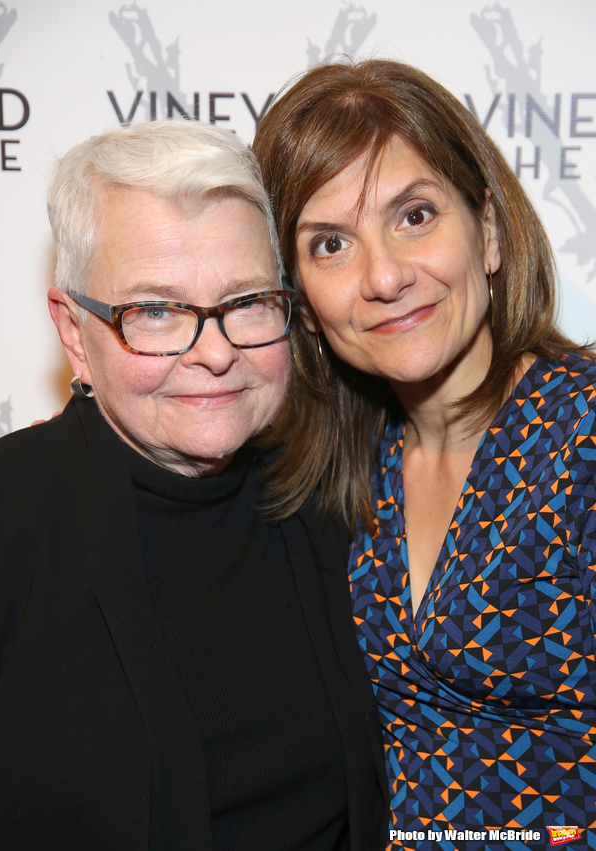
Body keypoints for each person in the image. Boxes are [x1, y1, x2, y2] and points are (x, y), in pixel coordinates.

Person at [0, 121, 388, 850]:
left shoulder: (334, 496)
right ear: (75, 334)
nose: (214, 353)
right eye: (155, 310)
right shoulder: (10, 520)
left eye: (245, 303)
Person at [253, 59, 596, 847]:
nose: (384, 276)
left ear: (492, 232)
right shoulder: (345, 465)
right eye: (331, 243)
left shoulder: (581, 437)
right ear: (301, 304)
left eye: (414, 215)